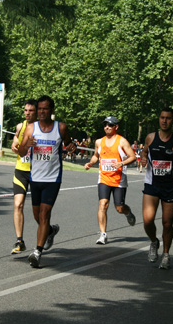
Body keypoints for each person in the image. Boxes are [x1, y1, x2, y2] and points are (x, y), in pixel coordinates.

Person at [18, 95, 75, 268]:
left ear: (51, 110)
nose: (42, 111)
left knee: (44, 214)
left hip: (53, 178)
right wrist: (27, 144)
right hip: (35, 177)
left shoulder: (61, 127)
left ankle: (37, 251)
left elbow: (69, 144)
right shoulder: (30, 128)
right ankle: (50, 230)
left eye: (45, 108)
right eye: (39, 109)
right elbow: (20, 152)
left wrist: (72, 147)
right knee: (37, 215)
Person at [140, 108, 173, 270]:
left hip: (170, 186)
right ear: (159, 119)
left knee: (167, 223)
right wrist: (142, 159)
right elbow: (144, 151)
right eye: (162, 117)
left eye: (168, 118)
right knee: (148, 220)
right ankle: (154, 241)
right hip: (152, 184)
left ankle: (166, 254)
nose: (164, 121)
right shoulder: (150, 137)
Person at [84, 116, 137, 244]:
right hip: (104, 178)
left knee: (119, 208)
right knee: (103, 204)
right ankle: (103, 234)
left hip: (119, 179)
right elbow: (96, 156)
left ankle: (128, 212)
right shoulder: (98, 142)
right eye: (105, 125)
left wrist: (122, 163)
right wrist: (90, 163)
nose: (107, 127)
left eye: (110, 125)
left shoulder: (122, 141)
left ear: (116, 127)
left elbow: (133, 157)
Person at [9, 99, 37, 254]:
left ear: (37, 111)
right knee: (18, 204)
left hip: (37, 172)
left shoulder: (41, 128)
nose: (27, 113)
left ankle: (48, 231)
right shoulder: (20, 126)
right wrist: (14, 146)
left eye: (31, 110)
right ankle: (19, 241)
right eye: (25, 110)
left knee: (38, 211)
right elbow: (15, 142)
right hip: (21, 170)